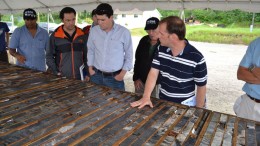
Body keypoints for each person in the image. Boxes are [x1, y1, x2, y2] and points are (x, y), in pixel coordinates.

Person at [131, 16, 207, 109]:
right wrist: (146, 97)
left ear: (173, 37)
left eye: (161, 34)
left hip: (185, 108)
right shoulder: (161, 49)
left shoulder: (197, 58)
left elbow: (201, 88)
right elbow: (153, 74)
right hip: (164, 103)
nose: (158, 36)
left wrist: (198, 110)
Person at [87, 3, 133, 90]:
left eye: (103, 20)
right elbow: (91, 50)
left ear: (111, 17)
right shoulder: (93, 31)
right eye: (98, 19)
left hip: (115, 78)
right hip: (96, 76)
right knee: (94, 102)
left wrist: (122, 74)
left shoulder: (124, 32)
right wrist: (90, 68)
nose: (99, 22)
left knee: (117, 103)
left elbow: (129, 55)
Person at [46, 7, 89, 80]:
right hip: (62, 77)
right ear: (62, 20)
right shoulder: (55, 36)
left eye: (73, 19)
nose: (71, 23)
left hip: (80, 78)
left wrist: (88, 73)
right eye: (68, 20)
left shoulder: (82, 35)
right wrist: (56, 72)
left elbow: (87, 56)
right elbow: (49, 56)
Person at [234, 37, 260, 122]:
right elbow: (240, 74)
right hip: (248, 103)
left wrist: (251, 69)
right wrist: (253, 68)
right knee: (239, 134)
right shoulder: (256, 43)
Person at [133, 17, 160, 98]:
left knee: (156, 106)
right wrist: (136, 78)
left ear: (160, 28)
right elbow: (137, 60)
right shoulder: (143, 40)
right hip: (141, 81)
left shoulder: (164, 42)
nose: (151, 33)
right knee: (139, 102)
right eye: (148, 30)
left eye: (153, 30)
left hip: (157, 83)